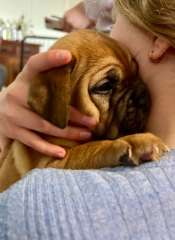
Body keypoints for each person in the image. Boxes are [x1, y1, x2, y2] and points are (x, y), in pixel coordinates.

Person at [1, 0, 175, 239]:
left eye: (113, 20)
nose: (136, 93)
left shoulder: (37, 207)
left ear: (159, 40)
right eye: (106, 86)